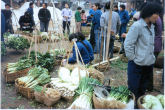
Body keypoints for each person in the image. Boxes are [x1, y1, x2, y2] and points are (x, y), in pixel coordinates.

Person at [124, 2, 162, 100]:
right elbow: (128, 44)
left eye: (159, 14)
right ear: (148, 13)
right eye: (156, 13)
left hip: (148, 65)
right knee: (134, 90)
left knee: (142, 90)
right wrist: (133, 58)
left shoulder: (152, 27)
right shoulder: (137, 26)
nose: (157, 17)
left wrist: (151, 58)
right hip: (137, 65)